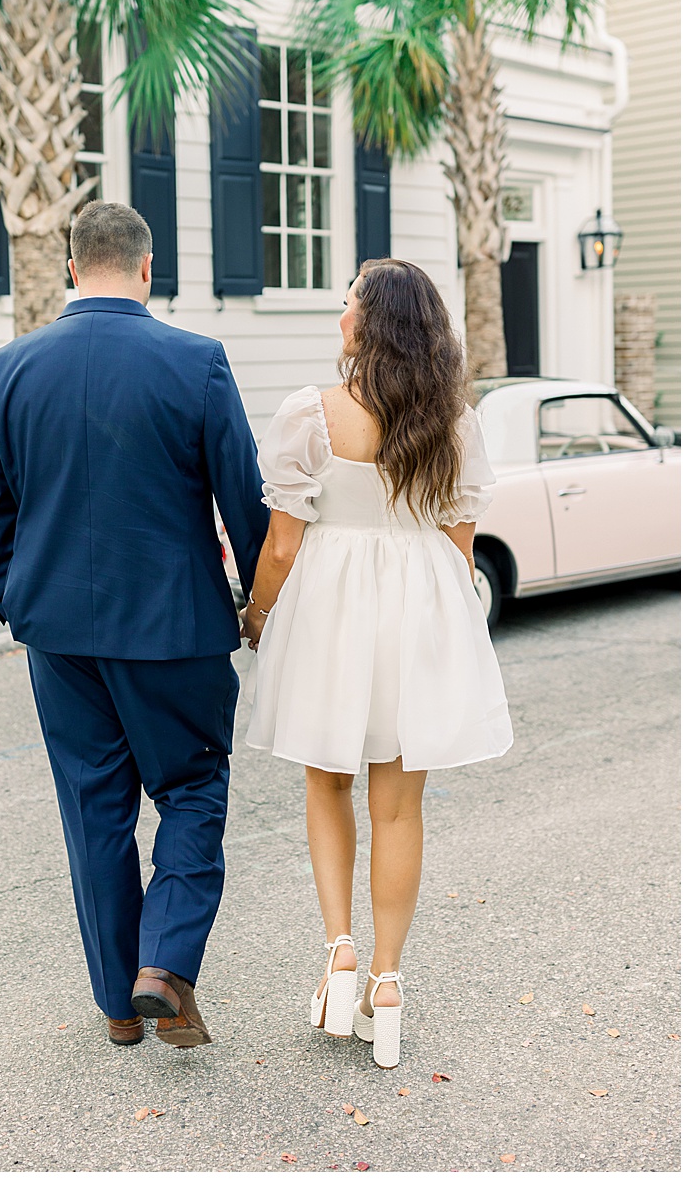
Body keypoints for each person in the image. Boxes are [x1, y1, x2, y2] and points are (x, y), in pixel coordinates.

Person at [0, 201, 270, 1050]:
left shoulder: (5, 370)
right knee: (192, 790)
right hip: (178, 629)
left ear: (71, 269)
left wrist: (15, 597)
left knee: (94, 812)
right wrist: (257, 601)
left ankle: (115, 1005)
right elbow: (242, 499)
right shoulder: (197, 362)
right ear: (147, 267)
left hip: (58, 634)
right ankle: (164, 970)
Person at [243, 258, 513, 1069]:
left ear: (373, 323)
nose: (340, 320)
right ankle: (389, 983)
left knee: (327, 779)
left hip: (332, 605)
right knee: (399, 805)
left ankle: (341, 954)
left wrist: (257, 615)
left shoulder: (313, 414)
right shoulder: (453, 420)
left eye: (349, 307)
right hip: (422, 603)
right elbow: (460, 542)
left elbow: (283, 544)